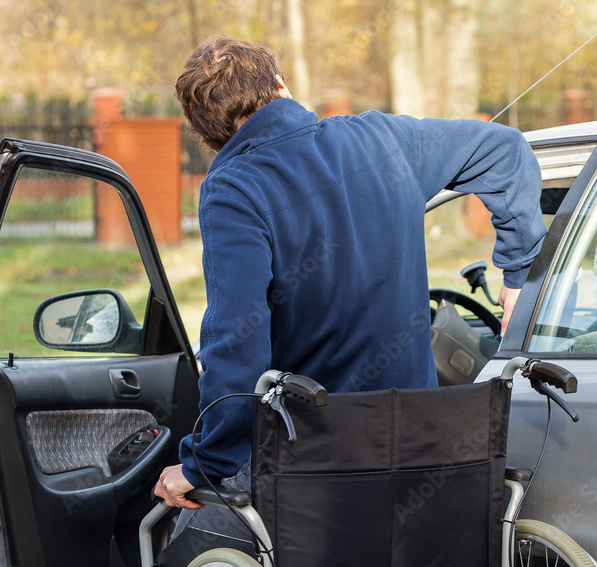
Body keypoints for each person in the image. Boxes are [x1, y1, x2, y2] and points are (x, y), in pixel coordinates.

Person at [155, 34, 546, 521]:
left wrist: (202, 463)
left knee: (189, 536)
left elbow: (237, 341)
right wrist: (517, 273)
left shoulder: (234, 188)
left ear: (210, 135)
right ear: (280, 84)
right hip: (416, 444)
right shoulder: (381, 137)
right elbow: (505, 150)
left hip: (315, 460)